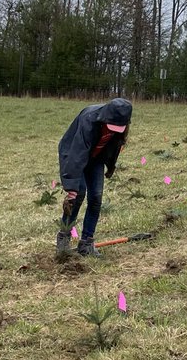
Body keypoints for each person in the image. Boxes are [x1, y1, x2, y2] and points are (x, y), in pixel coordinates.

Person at [56, 98, 132, 258]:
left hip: (96, 158)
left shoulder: (119, 127)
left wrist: (110, 167)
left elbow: (114, 148)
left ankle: (86, 244)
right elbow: (77, 154)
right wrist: (71, 188)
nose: (114, 130)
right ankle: (63, 240)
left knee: (96, 197)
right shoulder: (89, 119)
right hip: (73, 153)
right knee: (78, 195)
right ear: (106, 116)